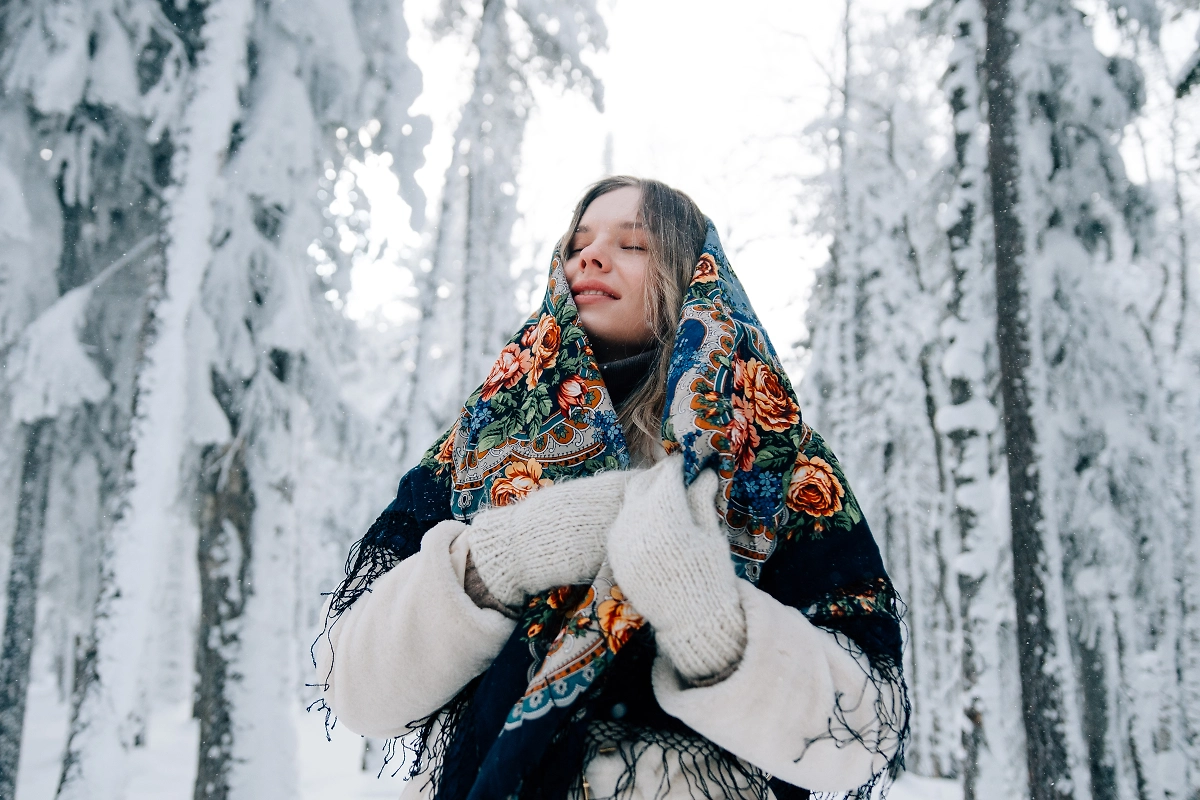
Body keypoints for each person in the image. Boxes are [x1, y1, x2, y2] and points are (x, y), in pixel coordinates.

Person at [312, 177, 908, 800]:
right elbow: (355, 690)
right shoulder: (479, 441)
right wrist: (502, 557)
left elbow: (868, 735)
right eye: (577, 245)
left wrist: (710, 624)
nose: (590, 257)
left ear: (693, 272)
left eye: (633, 244)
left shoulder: (776, 455)